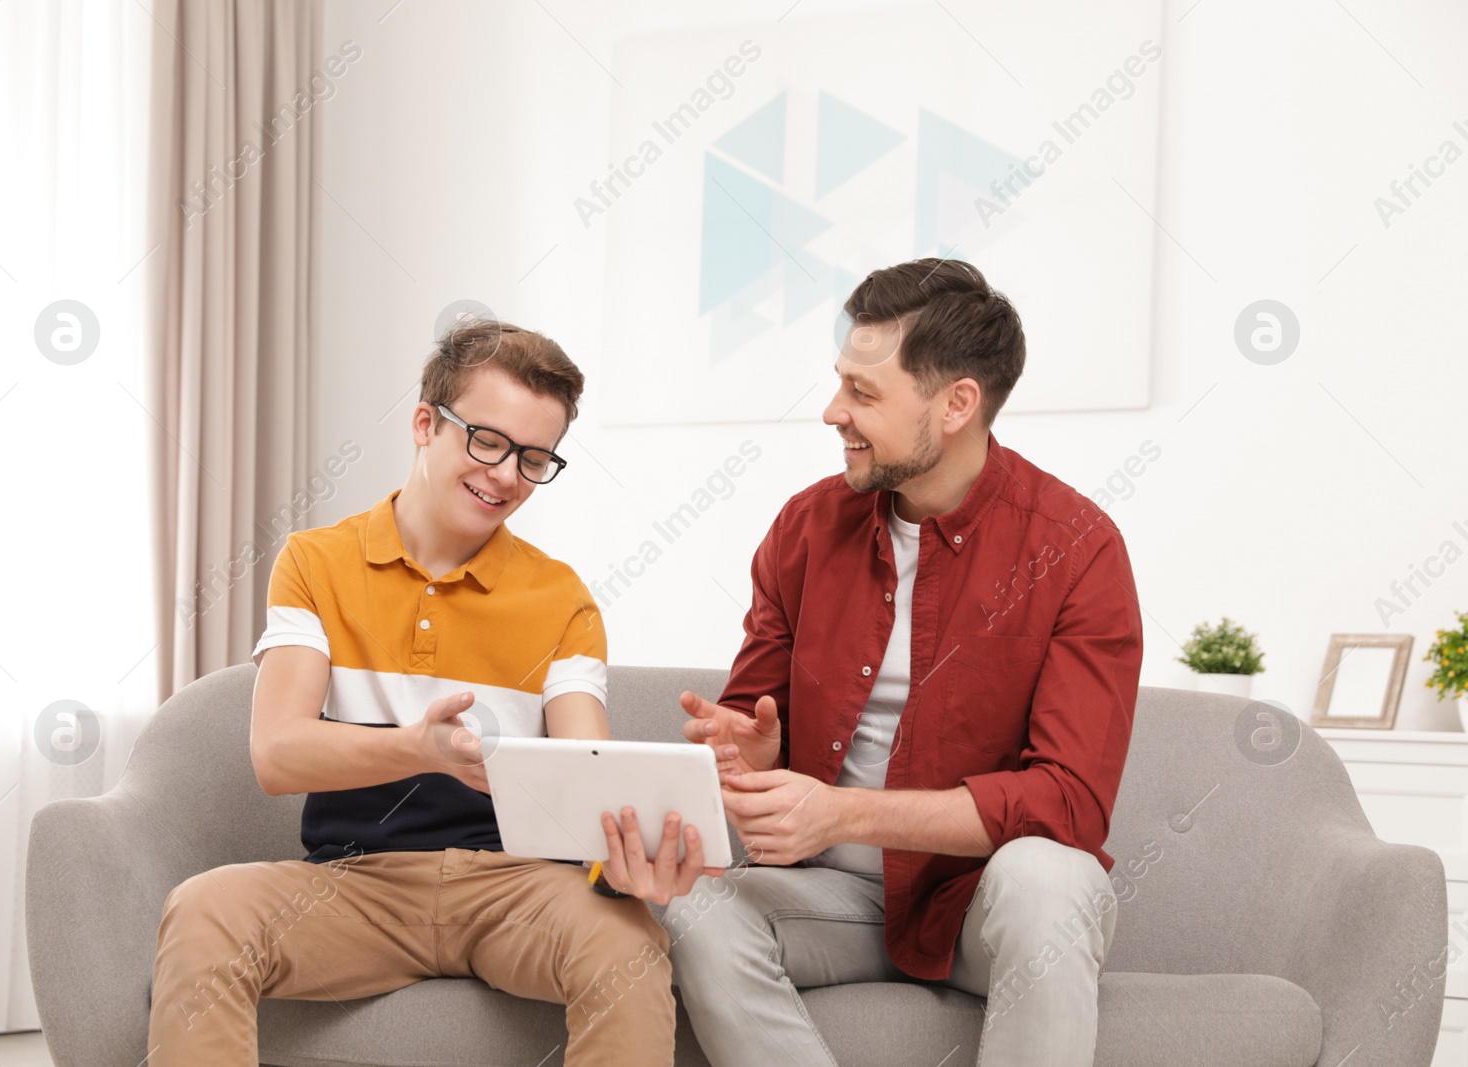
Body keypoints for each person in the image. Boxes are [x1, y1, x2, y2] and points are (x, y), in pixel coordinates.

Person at [147, 320, 718, 1066]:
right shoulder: (316, 562)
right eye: (488, 440)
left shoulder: (562, 597)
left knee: (627, 940)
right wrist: (417, 749)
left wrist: (629, 858)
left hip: (514, 888)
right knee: (204, 910)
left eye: (534, 457)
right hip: (354, 885)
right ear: (425, 423)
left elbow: (591, 770)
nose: (507, 474)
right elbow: (277, 753)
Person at [665, 258, 1144, 1066]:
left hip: (985, 903)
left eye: (863, 392)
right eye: (839, 383)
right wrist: (749, 751)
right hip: (836, 897)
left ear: (957, 403)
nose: (832, 411)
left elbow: (1068, 801)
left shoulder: (1077, 547)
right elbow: (751, 718)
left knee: (1047, 881)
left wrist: (843, 813)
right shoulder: (807, 528)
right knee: (689, 905)